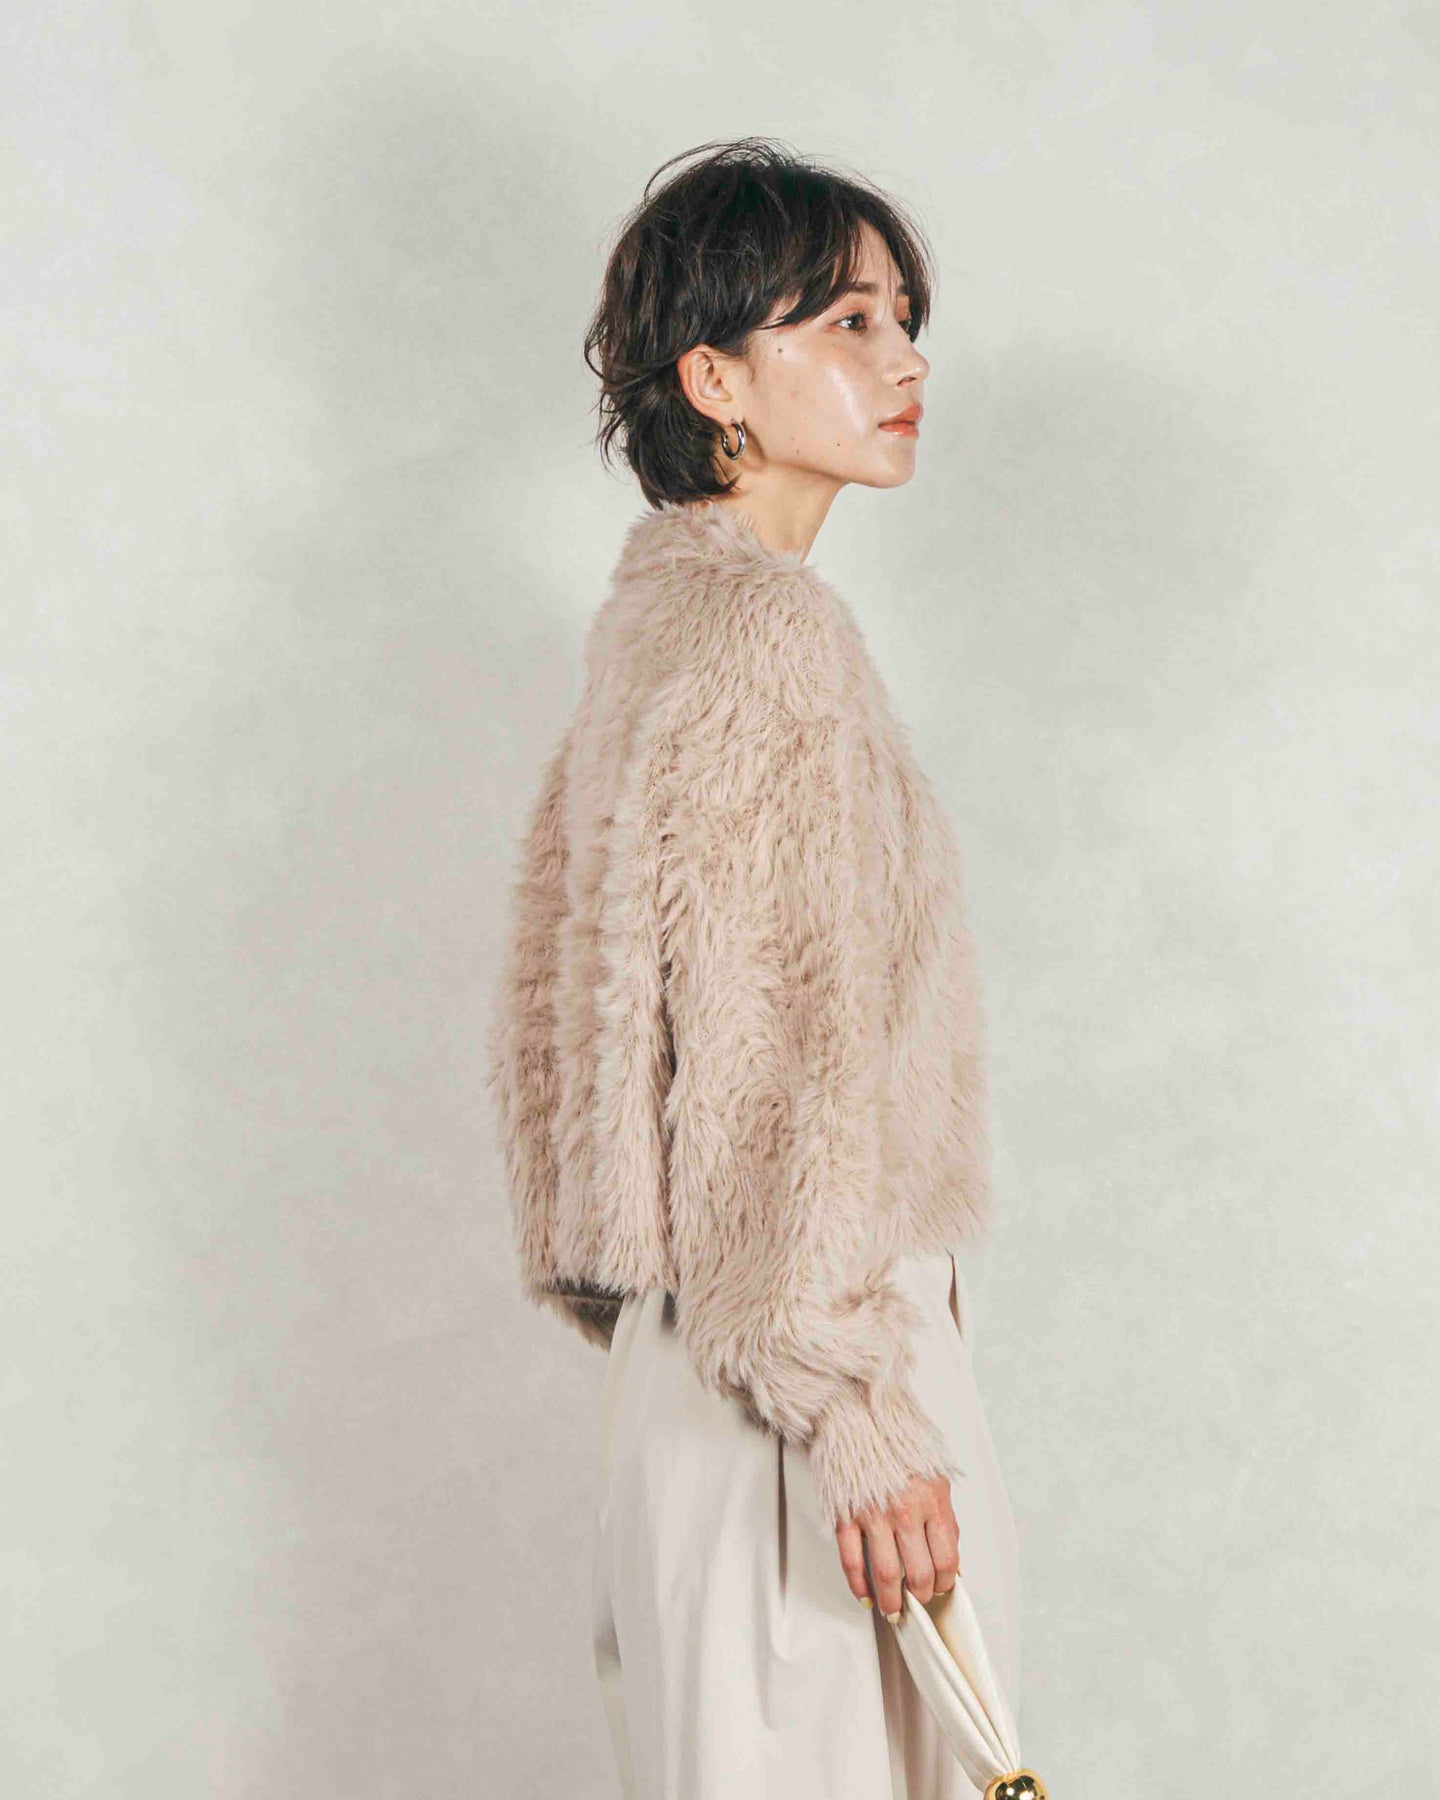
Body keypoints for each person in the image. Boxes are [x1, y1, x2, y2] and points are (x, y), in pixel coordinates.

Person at [487, 137, 1020, 1798]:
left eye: (905, 319)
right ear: (713, 378)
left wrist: (688, 1314)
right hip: (802, 1379)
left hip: (699, 1377)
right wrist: (851, 1407)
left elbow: (573, 1030)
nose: (905, 359)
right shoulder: (767, 640)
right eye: (848, 321)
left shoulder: (651, 626)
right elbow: (768, 1052)